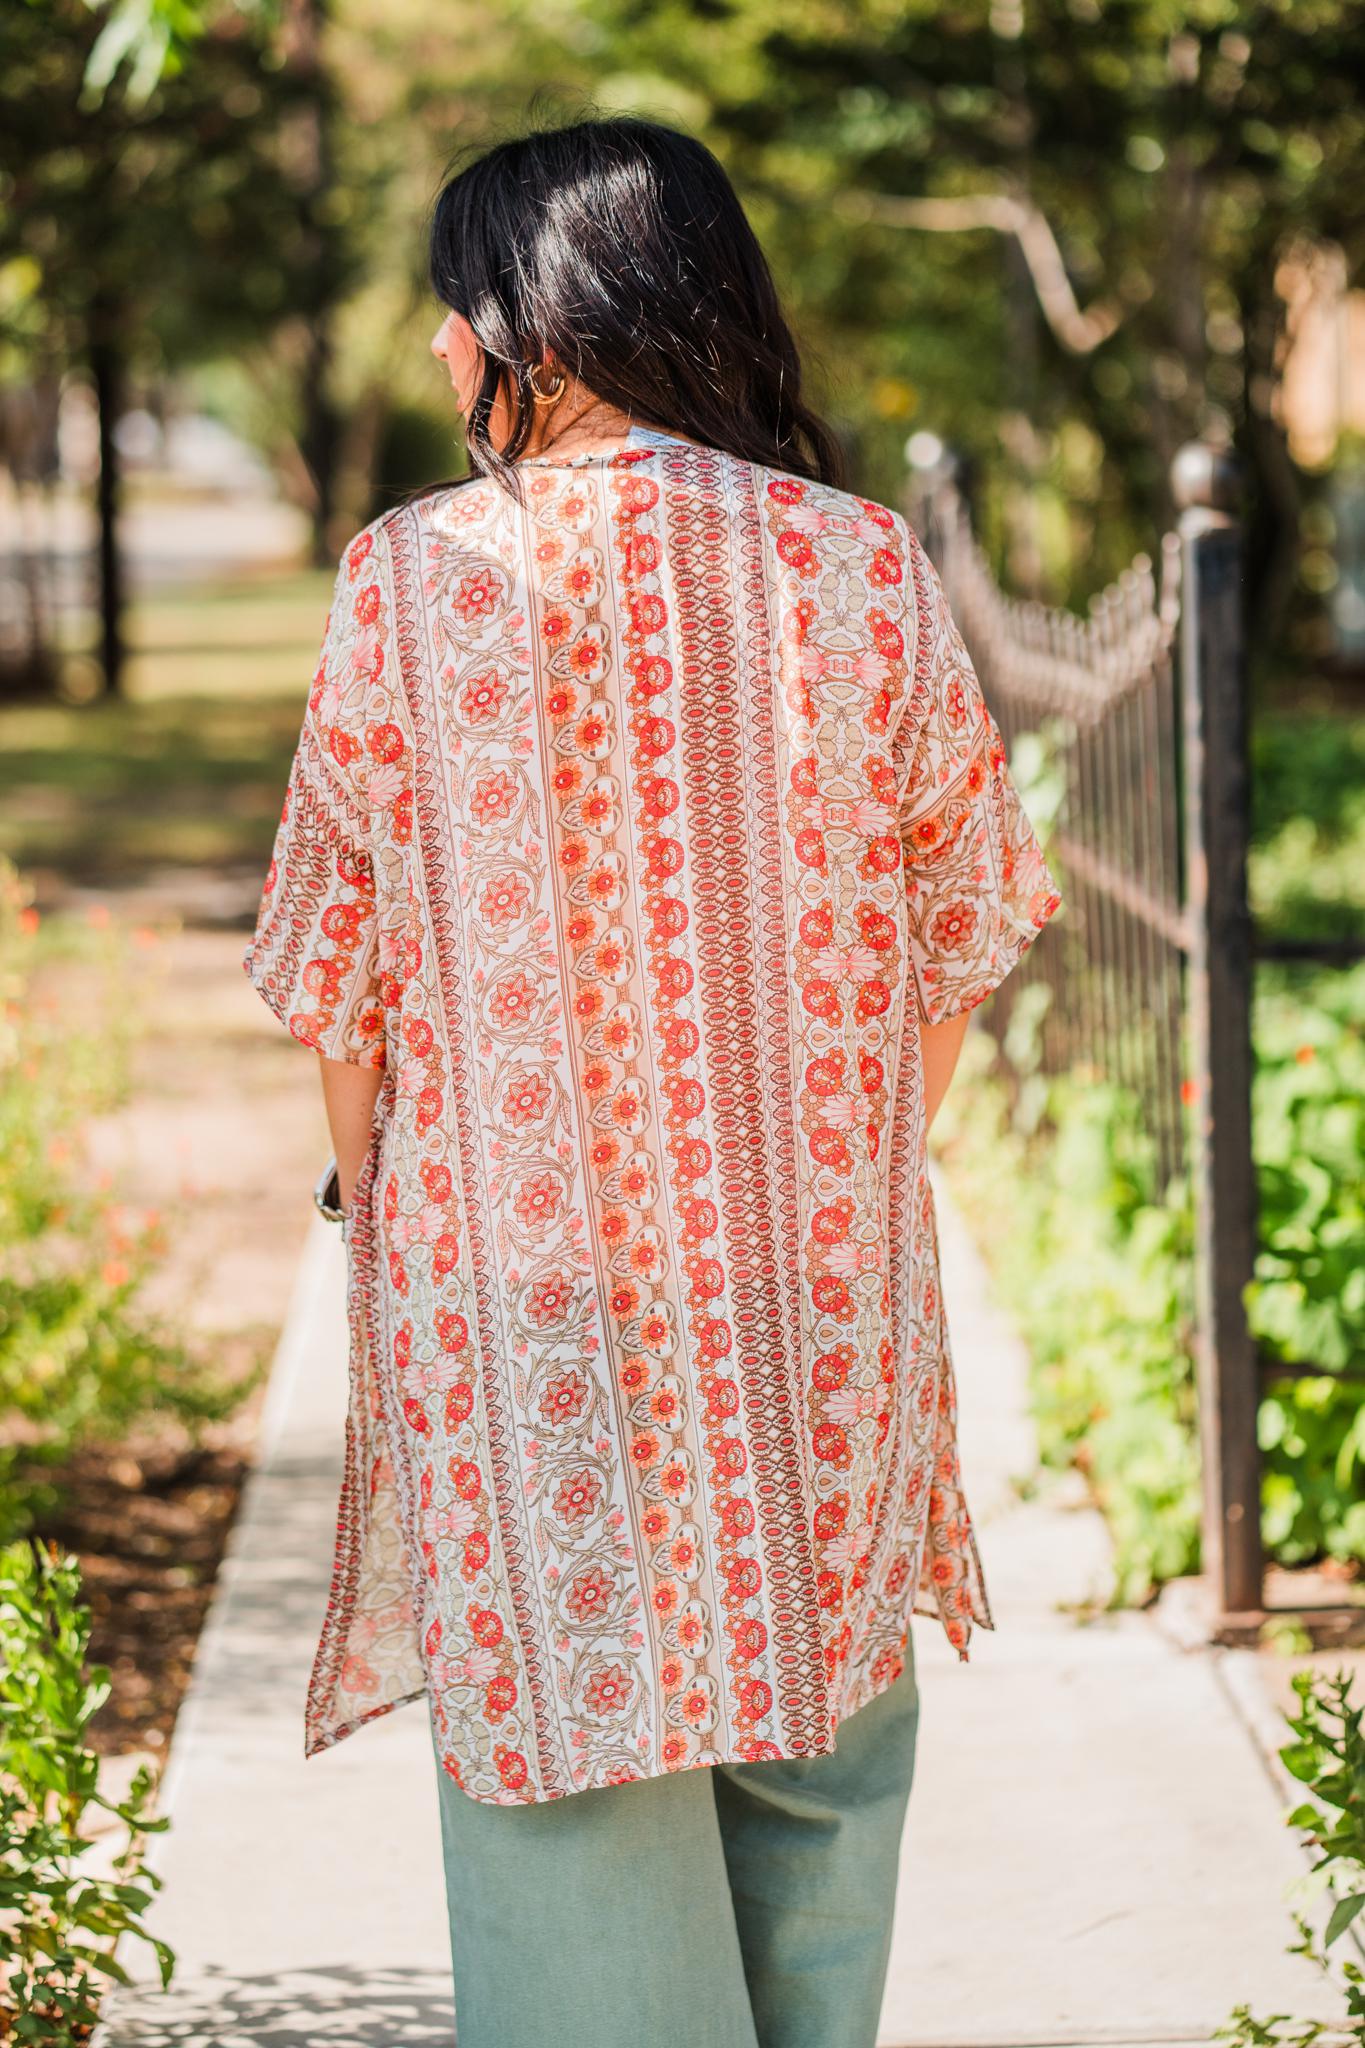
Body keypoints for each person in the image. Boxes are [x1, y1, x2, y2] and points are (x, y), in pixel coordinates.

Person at [243, 113, 1062, 2048]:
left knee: (577, 1801)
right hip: (810, 1307)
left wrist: (372, 1203)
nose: (444, 351)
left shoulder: (408, 583)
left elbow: (337, 991)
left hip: (524, 1316)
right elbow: (964, 926)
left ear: (548, 315)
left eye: (462, 307)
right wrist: (834, 1169)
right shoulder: (854, 567)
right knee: (818, 1768)